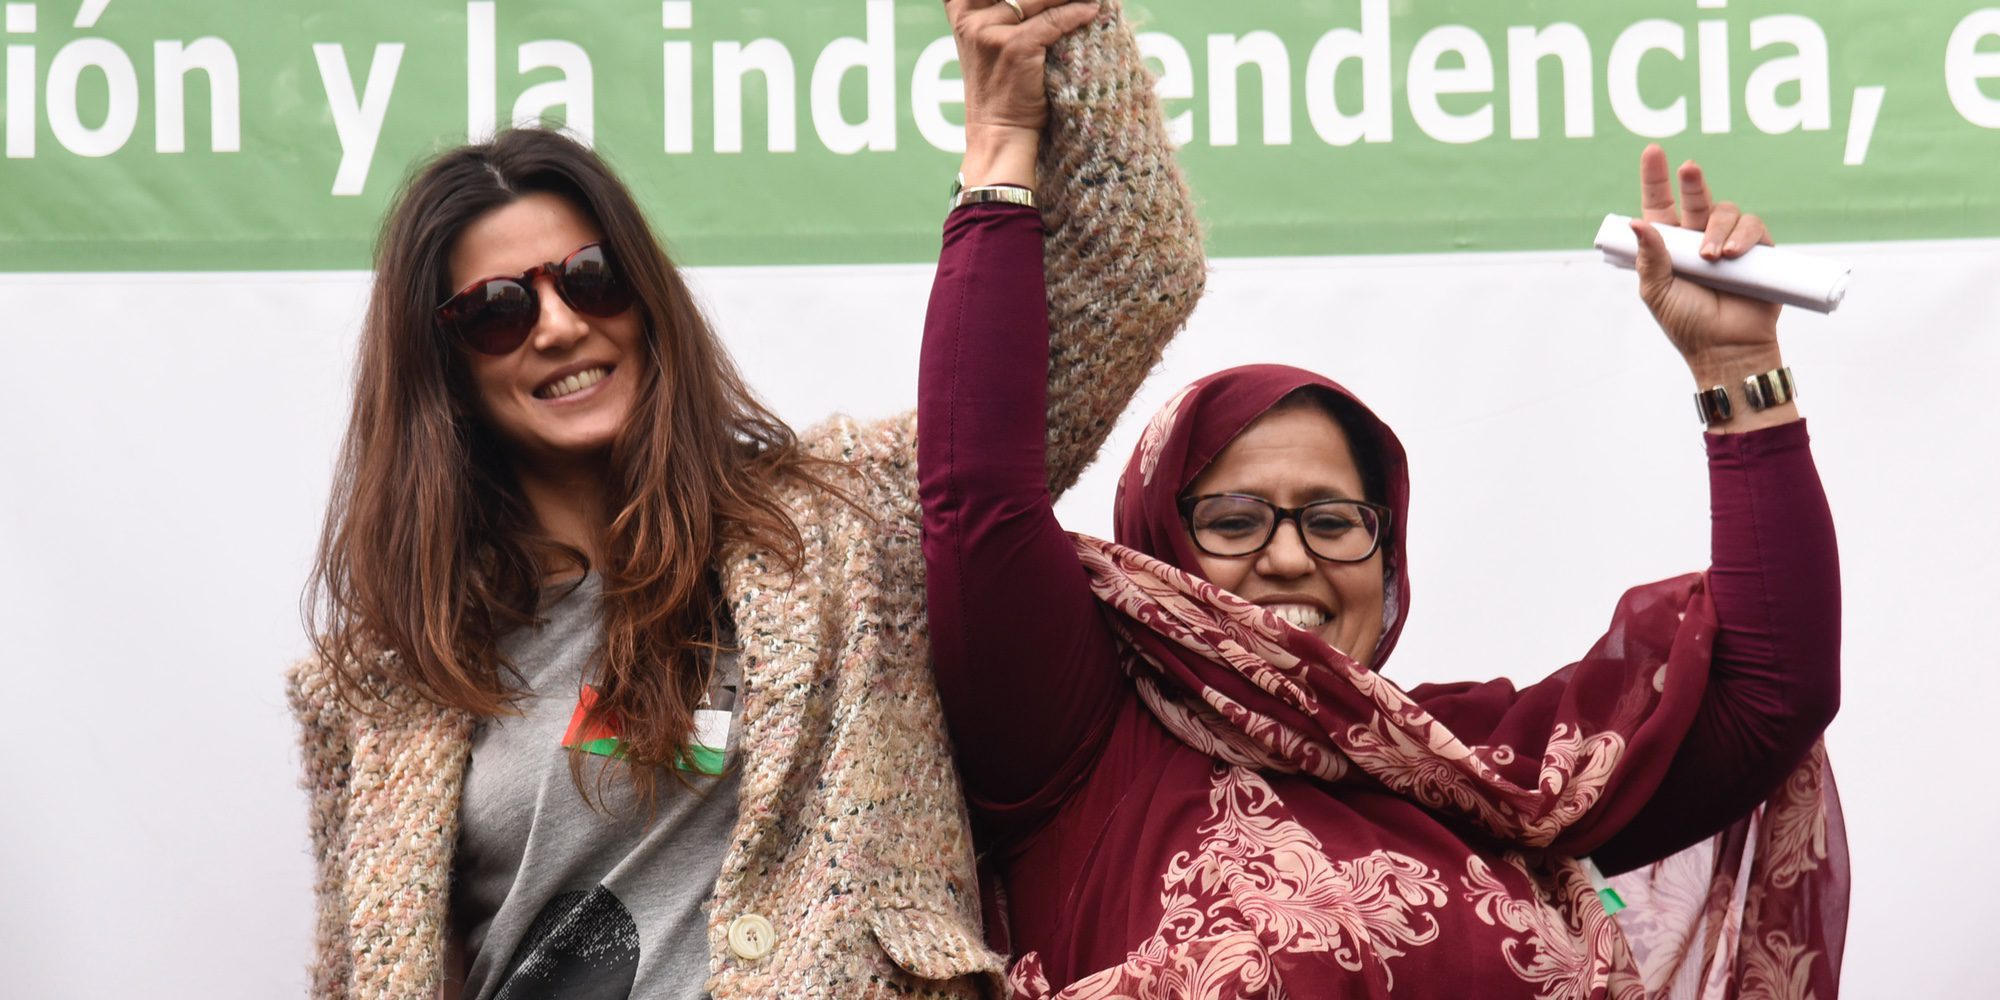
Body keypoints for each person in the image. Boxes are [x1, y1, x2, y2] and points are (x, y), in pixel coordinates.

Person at [286, 1, 1202, 996]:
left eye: (589, 279)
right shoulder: (378, 687)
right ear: (444, 369)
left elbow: (1133, 270)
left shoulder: (847, 516)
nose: (554, 326)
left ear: (645, 298)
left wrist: (1013, 115)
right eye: (497, 311)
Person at [919, 143, 1848, 996]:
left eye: (1332, 520)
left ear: (1387, 552)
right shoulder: (1079, 744)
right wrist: (1001, 149)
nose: (1289, 557)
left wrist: (1739, 365)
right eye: (1234, 520)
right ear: (1158, 543)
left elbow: (1772, 689)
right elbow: (979, 495)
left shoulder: (1487, 772)